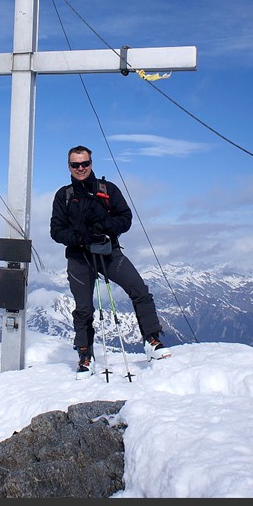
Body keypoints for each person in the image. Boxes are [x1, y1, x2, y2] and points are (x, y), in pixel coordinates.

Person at [49, 145, 170, 377]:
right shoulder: (63, 196)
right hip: (79, 256)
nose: (81, 168)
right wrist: (82, 238)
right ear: (69, 167)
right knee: (83, 308)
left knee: (139, 289)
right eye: (76, 164)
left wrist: (104, 225)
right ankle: (85, 355)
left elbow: (125, 218)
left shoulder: (108, 190)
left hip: (109, 252)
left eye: (85, 163)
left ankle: (152, 340)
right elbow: (56, 231)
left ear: (91, 164)